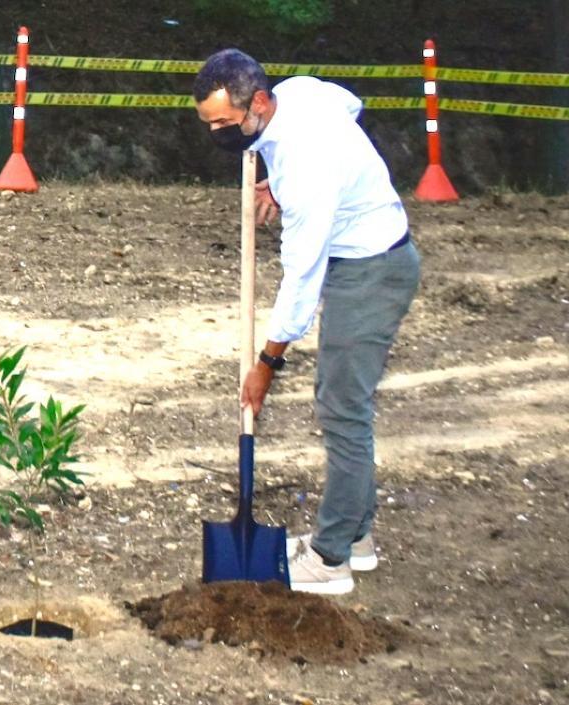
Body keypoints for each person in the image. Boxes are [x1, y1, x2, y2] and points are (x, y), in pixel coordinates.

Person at [192, 49, 420, 594]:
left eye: (227, 122)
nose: (219, 133)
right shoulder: (300, 95)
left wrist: (268, 361)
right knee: (341, 402)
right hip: (362, 258)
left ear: (260, 103)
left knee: (343, 410)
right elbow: (350, 103)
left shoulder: (306, 166)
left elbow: (301, 274)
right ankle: (355, 538)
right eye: (210, 123)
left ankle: (331, 558)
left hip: (370, 271)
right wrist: (282, 181)